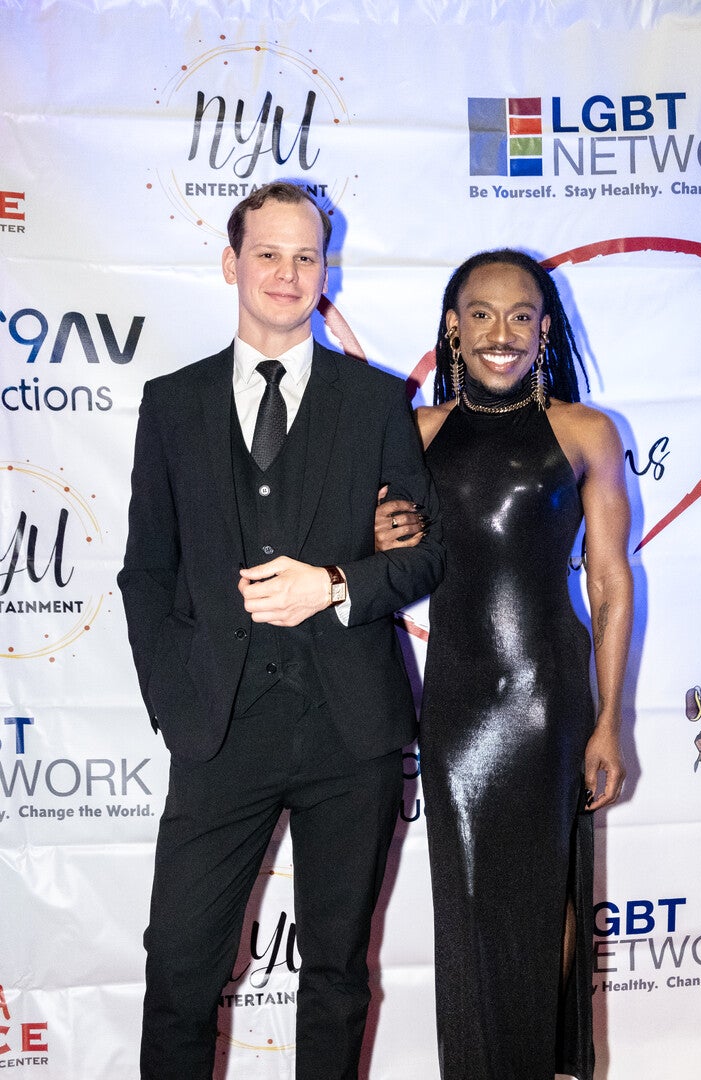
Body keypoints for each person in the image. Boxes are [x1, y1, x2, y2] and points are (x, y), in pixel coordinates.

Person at [118, 181, 444, 1080]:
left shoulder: (380, 401)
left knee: (337, 974)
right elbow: (145, 572)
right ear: (233, 263)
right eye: (269, 253)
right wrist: (176, 705)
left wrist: (335, 583)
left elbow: (421, 557)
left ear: (325, 270)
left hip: (354, 732)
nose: (288, 273)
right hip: (219, 731)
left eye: (307, 256)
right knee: (180, 969)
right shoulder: (172, 404)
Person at [375, 250, 632, 1080]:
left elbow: (609, 580)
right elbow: (381, 556)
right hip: (454, 705)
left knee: (548, 895)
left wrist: (611, 718)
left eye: (522, 315)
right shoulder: (414, 434)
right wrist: (384, 538)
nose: (501, 332)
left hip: (550, 699)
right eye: (480, 313)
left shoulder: (586, 430)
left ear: (545, 329)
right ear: (453, 325)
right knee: (472, 907)